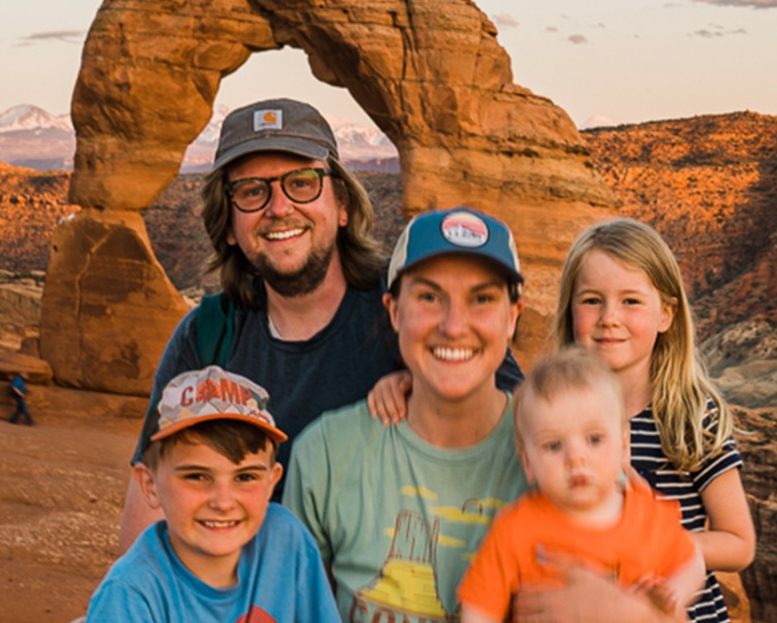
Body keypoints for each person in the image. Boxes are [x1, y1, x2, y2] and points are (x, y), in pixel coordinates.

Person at [116, 98, 520, 555]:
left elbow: (530, 437)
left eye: (303, 183)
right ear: (228, 224)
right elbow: (145, 528)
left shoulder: (417, 312)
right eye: (252, 191)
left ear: (342, 203)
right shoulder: (208, 336)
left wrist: (439, 389)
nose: (279, 207)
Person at [284, 207, 542, 622]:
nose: (454, 326)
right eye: (429, 297)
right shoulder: (327, 454)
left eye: (482, 299)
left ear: (512, 317)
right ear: (394, 311)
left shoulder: (559, 457)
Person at [538, 218, 755, 623]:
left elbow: (739, 543)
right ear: (570, 310)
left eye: (631, 301)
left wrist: (658, 544)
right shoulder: (554, 416)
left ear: (666, 315)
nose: (609, 317)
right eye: (591, 300)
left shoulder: (690, 416)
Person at [456, 348, 706, 623]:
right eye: (553, 445)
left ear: (624, 446)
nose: (576, 458)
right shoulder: (515, 530)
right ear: (527, 463)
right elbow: (479, 610)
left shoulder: (650, 518)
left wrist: (672, 595)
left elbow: (692, 561)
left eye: (594, 439)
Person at [85, 366, 340, 623]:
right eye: (197, 476)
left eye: (245, 477)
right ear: (150, 485)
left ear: (271, 482)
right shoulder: (130, 596)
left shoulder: (285, 539)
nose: (223, 502)